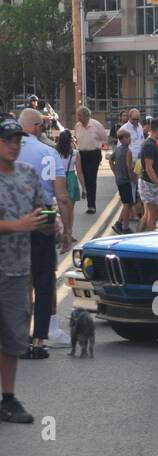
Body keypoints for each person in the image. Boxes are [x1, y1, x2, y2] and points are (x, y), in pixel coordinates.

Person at [0, 117, 52, 423]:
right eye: (8, 141)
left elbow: (44, 211)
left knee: (13, 338)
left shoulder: (28, 174)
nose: (14, 147)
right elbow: (21, 223)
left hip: (17, 271)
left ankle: (8, 398)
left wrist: (51, 224)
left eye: (18, 141)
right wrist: (17, 226)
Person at [18, 107, 71, 356]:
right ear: (37, 126)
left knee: (20, 282)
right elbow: (62, 196)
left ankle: (19, 336)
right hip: (43, 221)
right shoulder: (48, 153)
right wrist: (67, 231)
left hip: (13, 224)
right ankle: (44, 336)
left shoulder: (8, 152)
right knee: (44, 280)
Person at [74, 106, 108, 214]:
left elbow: (104, 139)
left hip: (94, 154)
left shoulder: (96, 125)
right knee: (82, 177)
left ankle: (91, 205)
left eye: (79, 115)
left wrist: (98, 146)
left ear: (86, 116)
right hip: (81, 154)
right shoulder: (77, 126)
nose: (77, 117)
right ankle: (85, 190)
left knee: (91, 179)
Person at [138, 118, 158, 231]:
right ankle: (150, 239)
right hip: (149, 183)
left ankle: (137, 236)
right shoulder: (150, 145)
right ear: (157, 131)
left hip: (147, 182)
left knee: (147, 214)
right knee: (152, 214)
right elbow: (149, 168)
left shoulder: (150, 143)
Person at [109, 128, 135, 234]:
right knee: (127, 204)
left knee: (126, 202)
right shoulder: (128, 151)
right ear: (122, 139)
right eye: (128, 137)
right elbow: (129, 167)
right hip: (125, 180)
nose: (130, 139)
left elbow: (110, 160)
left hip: (119, 179)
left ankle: (119, 223)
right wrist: (131, 178)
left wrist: (115, 172)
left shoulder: (118, 149)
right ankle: (125, 227)